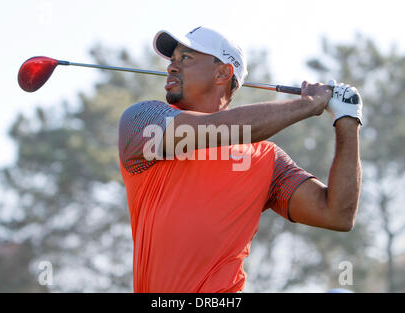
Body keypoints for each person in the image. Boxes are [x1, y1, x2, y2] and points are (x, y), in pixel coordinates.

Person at [118, 26, 362, 293]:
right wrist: (308, 105)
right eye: (172, 60)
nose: (171, 68)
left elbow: (337, 215)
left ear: (223, 73)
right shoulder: (143, 121)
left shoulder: (267, 159)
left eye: (185, 58)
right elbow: (226, 128)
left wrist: (347, 120)